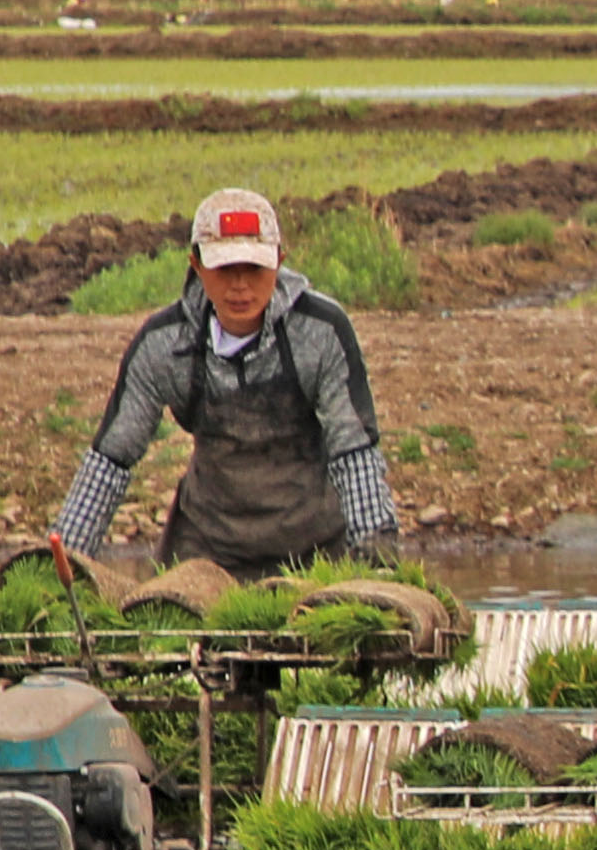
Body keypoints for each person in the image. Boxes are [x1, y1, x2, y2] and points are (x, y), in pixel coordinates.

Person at [60, 185, 400, 570]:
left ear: (279, 262)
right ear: (196, 265)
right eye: (225, 269)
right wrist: (63, 562)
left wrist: (376, 555)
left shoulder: (320, 332)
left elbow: (354, 451)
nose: (240, 285)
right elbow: (110, 460)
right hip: (206, 551)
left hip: (317, 548)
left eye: (254, 269)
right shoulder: (163, 345)